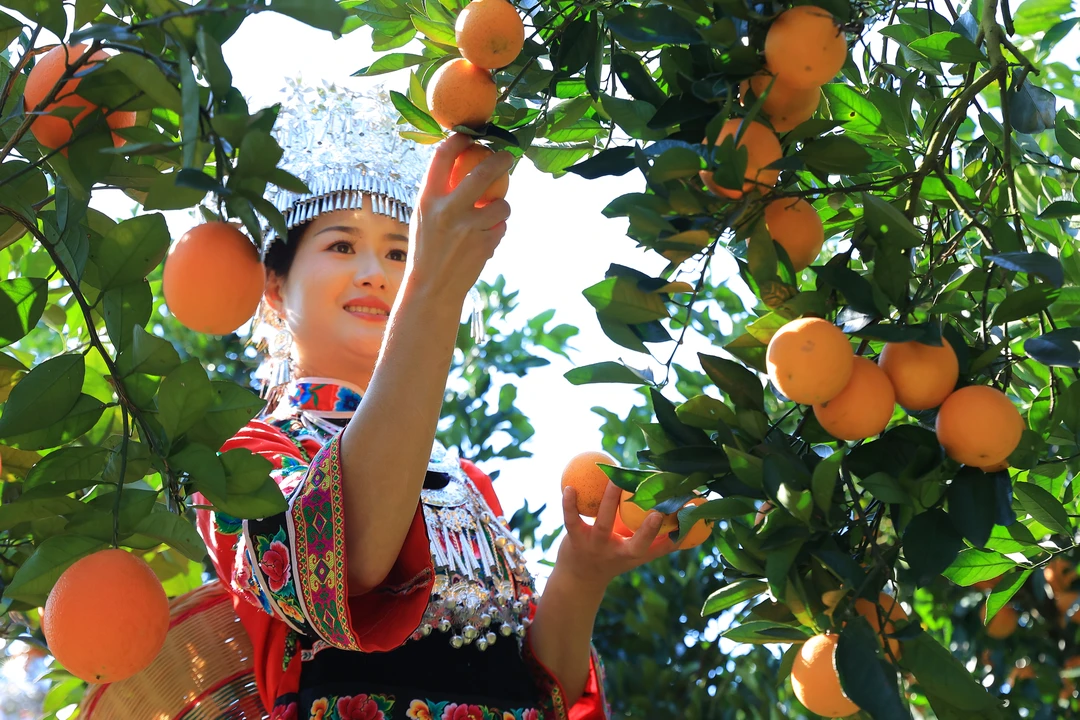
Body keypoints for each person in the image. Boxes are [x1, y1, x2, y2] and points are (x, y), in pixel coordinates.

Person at [193, 81, 678, 720]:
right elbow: (347, 568)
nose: (377, 271)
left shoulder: (467, 481)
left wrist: (581, 572)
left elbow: (535, 688)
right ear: (276, 289)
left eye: (400, 251)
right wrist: (432, 288)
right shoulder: (245, 463)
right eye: (342, 244)